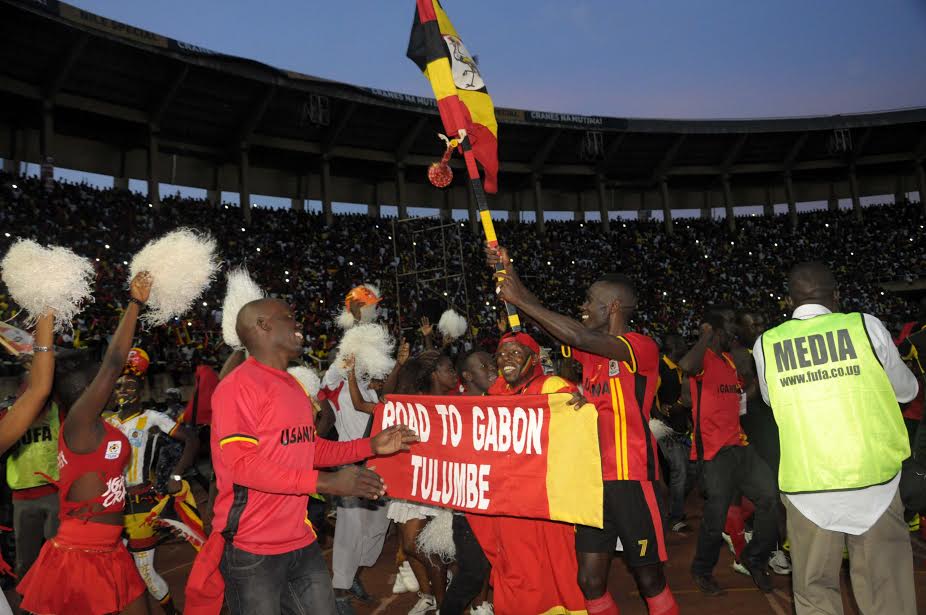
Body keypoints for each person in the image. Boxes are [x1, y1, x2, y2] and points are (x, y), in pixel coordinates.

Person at [185, 297, 417, 615]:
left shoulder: (293, 386)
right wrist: (326, 483)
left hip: (299, 539)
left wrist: (371, 446)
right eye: (288, 317)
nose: (298, 324)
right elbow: (243, 466)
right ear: (263, 325)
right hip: (252, 548)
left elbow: (310, 448)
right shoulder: (237, 386)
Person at [489, 246, 678, 615]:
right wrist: (509, 274)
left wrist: (519, 299)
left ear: (614, 307)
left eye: (590, 301)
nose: (583, 307)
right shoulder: (591, 354)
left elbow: (577, 335)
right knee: (589, 581)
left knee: (649, 579)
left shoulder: (640, 347)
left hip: (631, 478)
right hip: (592, 483)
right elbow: (554, 326)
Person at [754, 262, 919, 615]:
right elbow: (907, 390)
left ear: (789, 301)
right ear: (837, 295)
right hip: (873, 482)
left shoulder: (766, 344)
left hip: (808, 487)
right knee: (886, 591)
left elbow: (771, 400)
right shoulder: (865, 326)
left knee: (815, 593)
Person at [17, 272, 153, 615]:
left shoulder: (93, 425)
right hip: (80, 555)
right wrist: (135, 304)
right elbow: (113, 362)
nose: (106, 382)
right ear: (83, 388)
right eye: (96, 379)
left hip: (112, 549)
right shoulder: (79, 422)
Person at [466, 332, 587, 615]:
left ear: (533, 359)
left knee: (558, 570)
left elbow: (578, 432)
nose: (506, 359)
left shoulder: (553, 387)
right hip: (509, 507)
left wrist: (582, 406)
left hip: (546, 504)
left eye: (515, 353)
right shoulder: (491, 395)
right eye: (501, 355)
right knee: (516, 570)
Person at [679, 306, 779, 595]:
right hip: (714, 451)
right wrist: (705, 335)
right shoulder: (704, 360)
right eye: (729, 325)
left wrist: (757, 385)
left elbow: (739, 397)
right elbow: (686, 366)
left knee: (770, 497)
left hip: (740, 445)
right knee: (716, 515)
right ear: (715, 330)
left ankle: (754, 558)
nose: (734, 330)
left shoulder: (728, 361)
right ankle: (702, 569)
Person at [106, 347, 199, 615]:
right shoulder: (107, 422)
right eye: (118, 386)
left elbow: (192, 440)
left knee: (145, 572)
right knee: (117, 570)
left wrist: (176, 475)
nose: (123, 391)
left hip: (141, 505)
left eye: (129, 385)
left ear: (141, 389)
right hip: (111, 507)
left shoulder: (152, 419)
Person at [441, 350, 496, 615]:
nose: (492, 369)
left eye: (492, 364)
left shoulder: (506, 402)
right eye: (484, 366)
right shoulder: (452, 407)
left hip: (501, 505)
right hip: (469, 509)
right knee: (473, 572)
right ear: (467, 375)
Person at [651, 333, 691, 534]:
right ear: (674, 346)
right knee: (680, 470)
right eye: (682, 342)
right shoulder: (660, 368)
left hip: (683, 427)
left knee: (689, 471)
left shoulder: (682, 367)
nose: (686, 345)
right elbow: (649, 395)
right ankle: (675, 517)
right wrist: (660, 416)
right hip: (667, 429)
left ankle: (675, 507)